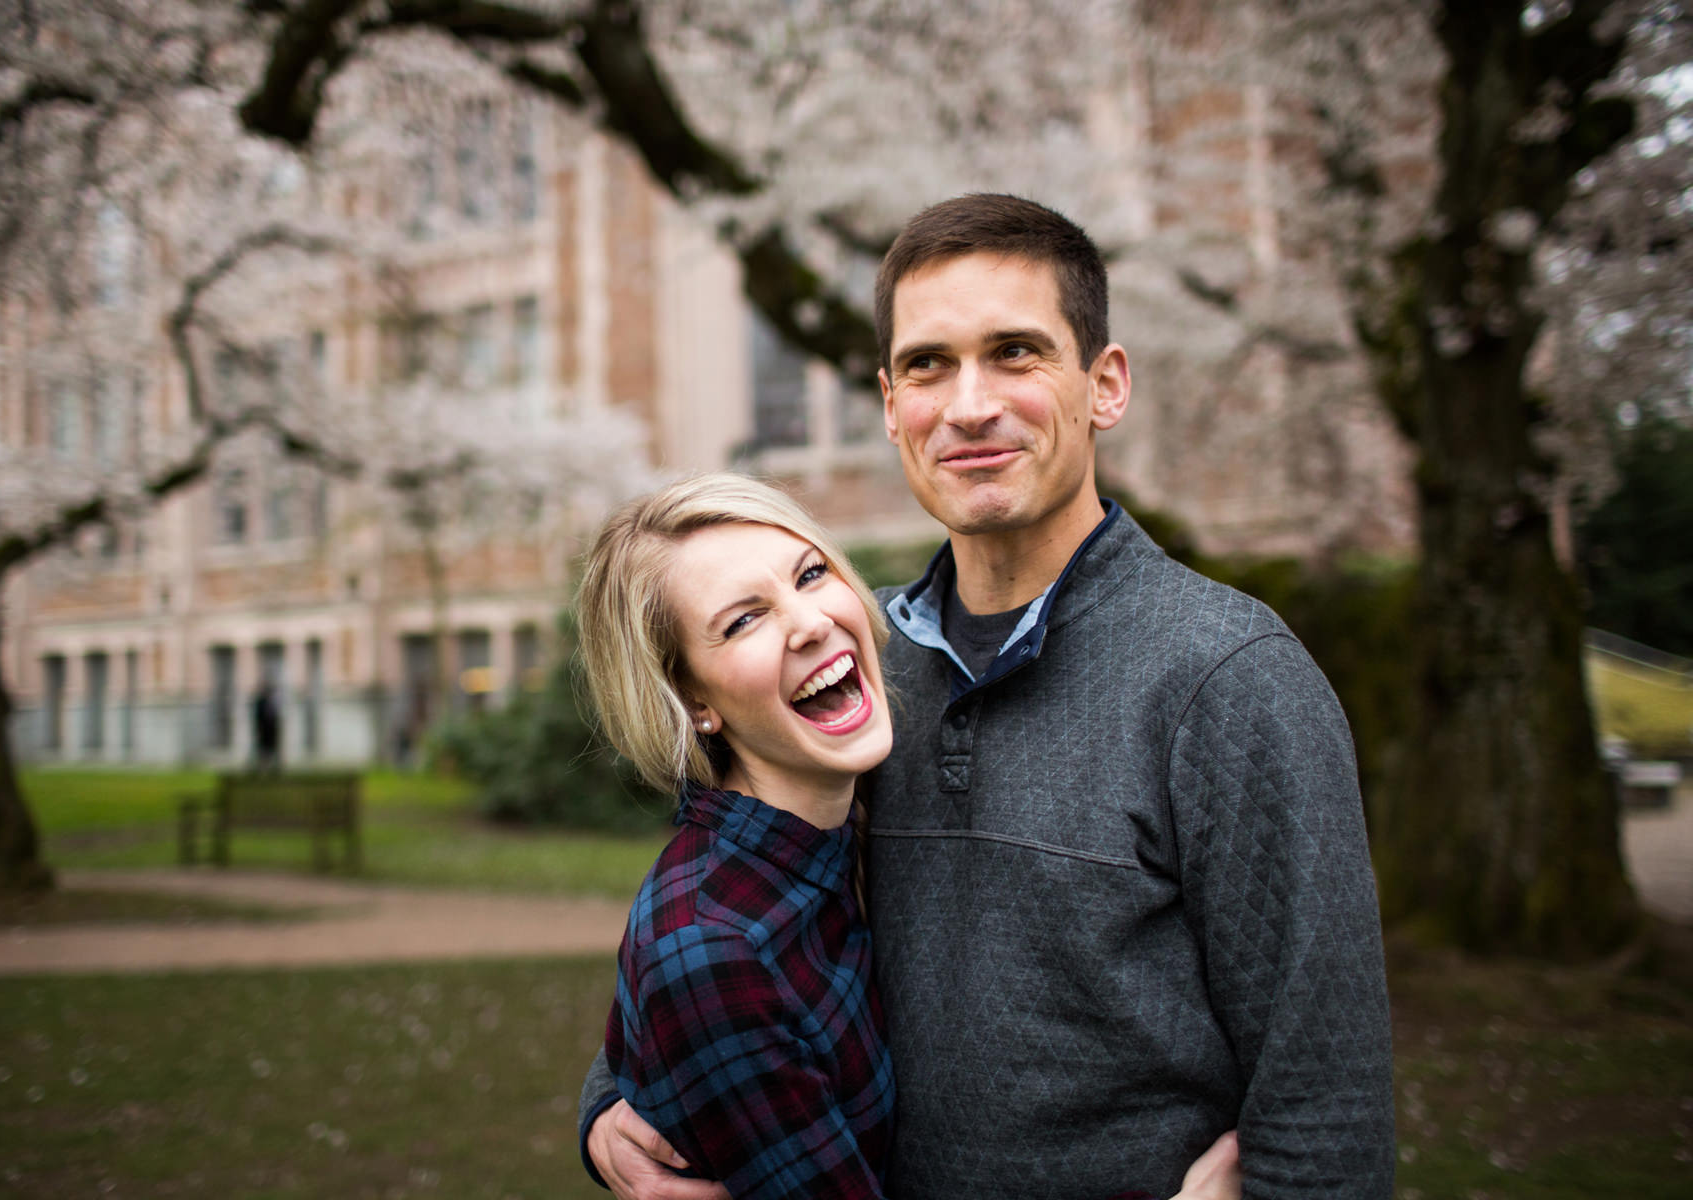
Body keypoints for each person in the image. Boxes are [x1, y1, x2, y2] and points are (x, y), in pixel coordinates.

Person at [583, 195, 1395, 1197]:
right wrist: (609, 1106)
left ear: (1104, 385)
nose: (969, 405)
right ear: (890, 406)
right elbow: (724, 911)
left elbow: (1327, 1103)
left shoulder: (1230, 680)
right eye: (929, 364)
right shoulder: (856, 666)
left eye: (1016, 352)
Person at [575, 473, 1242, 1200]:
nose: (808, 622)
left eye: (811, 573)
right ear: (692, 700)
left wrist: (611, 1096)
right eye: (743, 620)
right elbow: (690, 986)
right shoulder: (719, 951)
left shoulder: (818, 825)